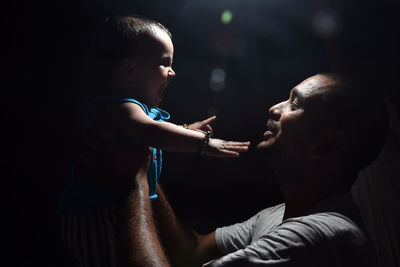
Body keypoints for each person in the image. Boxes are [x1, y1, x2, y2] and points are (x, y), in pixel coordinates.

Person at [123, 73, 388, 266]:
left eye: (295, 105)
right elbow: (193, 252)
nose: (275, 108)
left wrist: (135, 184)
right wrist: (148, 165)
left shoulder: (320, 237)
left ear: (327, 144)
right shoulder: (277, 216)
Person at [58, 15, 249, 267]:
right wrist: (202, 142)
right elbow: (151, 131)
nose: (172, 72)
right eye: (164, 63)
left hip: (116, 211)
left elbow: (154, 132)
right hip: (97, 215)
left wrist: (186, 129)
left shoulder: (138, 115)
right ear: (129, 69)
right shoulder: (120, 108)